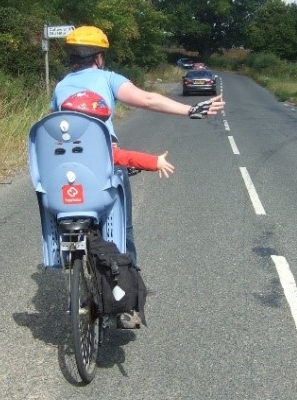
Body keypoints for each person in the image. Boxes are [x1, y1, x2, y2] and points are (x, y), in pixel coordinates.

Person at [50, 25, 225, 328]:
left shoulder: (60, 87)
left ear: (71, 57)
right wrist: (191, 110)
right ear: (100, 57)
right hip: (104, 169)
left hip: (69, 177)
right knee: (122, 228)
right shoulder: (107, 78)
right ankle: (126, 299)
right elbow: (147, 100)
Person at [59, 89, 175, 178]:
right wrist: (155, 162)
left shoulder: (51, 147)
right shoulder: (97, 149)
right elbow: (128, 157)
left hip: (55, 200)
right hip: (94, 199)